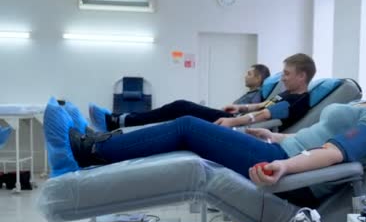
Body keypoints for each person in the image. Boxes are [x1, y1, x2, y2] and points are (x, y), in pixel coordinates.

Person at [45, 56, 366, 205]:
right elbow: (312, 139)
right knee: (188, 125)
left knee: (187, 126)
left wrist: (285, 165)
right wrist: (273, 136)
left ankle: (88, 152)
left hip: (294, 174)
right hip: (281, 150)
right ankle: (99, 142)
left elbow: (337, 152)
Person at [89, 54, 314, 132]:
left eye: (287, 74)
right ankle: (117, 123)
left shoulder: (297, 100)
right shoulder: (286, 94)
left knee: (181, 109)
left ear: (302, 76)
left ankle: (118, 122)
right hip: (237, 119)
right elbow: (262, 107)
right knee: (181, 111)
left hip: (239, 127)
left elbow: (265, 116)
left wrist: (234, 119)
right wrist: (241, 107)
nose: (283, 77)